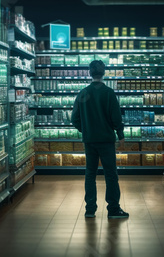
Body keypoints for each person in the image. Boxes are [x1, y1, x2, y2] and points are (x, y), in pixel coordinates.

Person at [71, 60, 129, 219]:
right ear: (104, 73)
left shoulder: (83, 93)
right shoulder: (109, 93)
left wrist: (86, 130)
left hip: (89, 141)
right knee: (111, 174)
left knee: (90, 174)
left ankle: (90, 209)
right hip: (106, 141)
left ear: (90, 73)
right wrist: (121, 135)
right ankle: (113, 209)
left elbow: (74, 118)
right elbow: (116, 117)